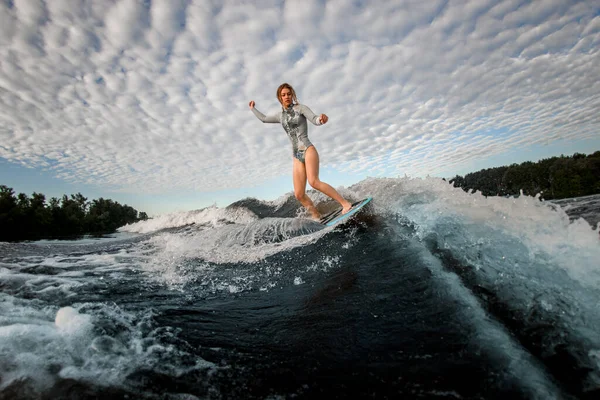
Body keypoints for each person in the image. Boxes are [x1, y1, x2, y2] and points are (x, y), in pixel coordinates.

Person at [249, 83, 352, 220]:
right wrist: (252, 108)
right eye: (283, 95)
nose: (286, 97)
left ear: (292, 95)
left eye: (289, 94)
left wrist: (321, 119)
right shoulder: (280, 116)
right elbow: (263, 119)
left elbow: (315, 119)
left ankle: (345, 204)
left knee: (314, 182)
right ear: (280, 98)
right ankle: (317, 216)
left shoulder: (301, 108)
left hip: (308, 149)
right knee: (299, 194)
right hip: (296, 156)